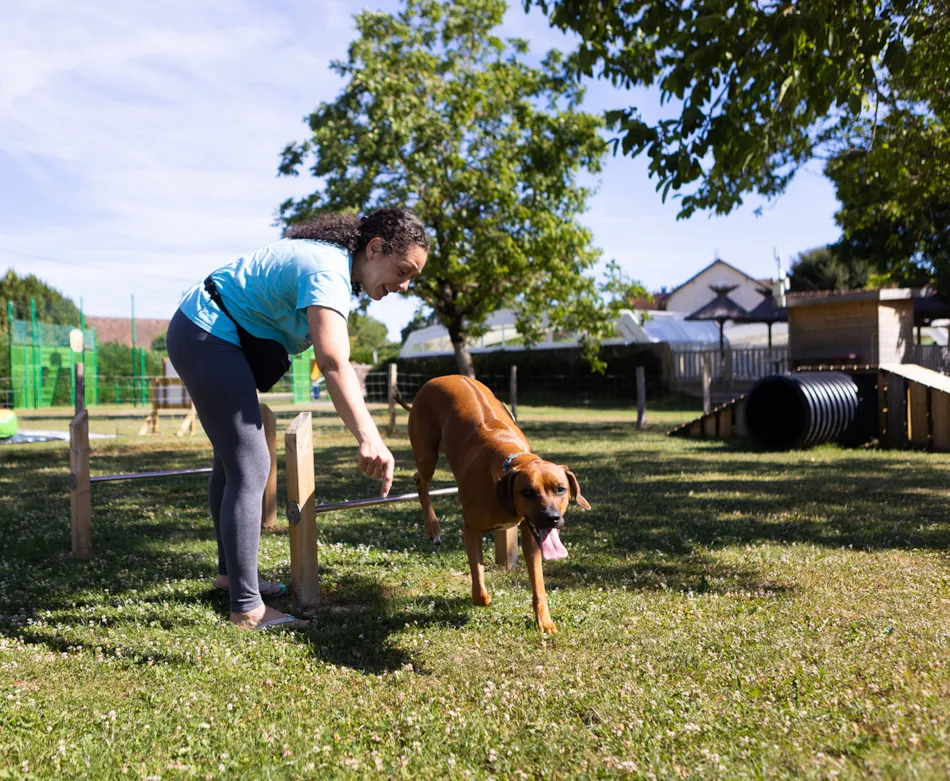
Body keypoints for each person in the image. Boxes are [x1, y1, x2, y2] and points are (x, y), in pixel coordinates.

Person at [167, 208, 429, 630]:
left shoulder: (333, 267)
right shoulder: (327, 269)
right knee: (251, 465)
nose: (404, 285)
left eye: (411, 278)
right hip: (208, 333)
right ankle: (247, 608)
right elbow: (333, 362)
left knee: (232, 461)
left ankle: (230, 577)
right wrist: (370, 437)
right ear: (375, 248)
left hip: (207, 330)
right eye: (403, 271)